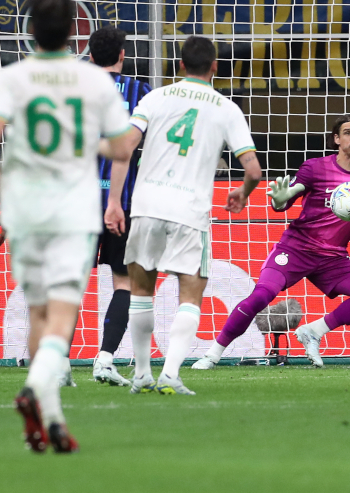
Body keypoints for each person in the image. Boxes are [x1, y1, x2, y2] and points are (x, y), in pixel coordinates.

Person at [0, 0, 136, 452]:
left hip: (24, 208)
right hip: (72, 208)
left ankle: (50, 419)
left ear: (30, 30)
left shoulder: (9, 76)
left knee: (37, 311)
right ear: (75, 32)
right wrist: (89, 140)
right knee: (62, 313)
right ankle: (34, 390)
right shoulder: (93, 83)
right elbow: (120, 149)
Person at [100, 35, 261, 395]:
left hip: (145, 208)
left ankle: (141, 373)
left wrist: (114, 202)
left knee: (140, 291)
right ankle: (169, 374)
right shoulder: (226, 108)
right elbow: (253, 170)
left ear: (181, 65)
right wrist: (243, 193)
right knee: (190, 295)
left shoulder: (155, 97)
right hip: (188, 212)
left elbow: (124, 148)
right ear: (215, 66)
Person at [195, 116, 350, 369]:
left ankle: (313, 331)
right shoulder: (316, 168)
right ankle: (212, 354)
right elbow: (284, 202)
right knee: (261, 295)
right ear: (336, 139)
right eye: (347, 133)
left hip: (333, 258)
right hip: (296, 249)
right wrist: (279, 199)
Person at [87, 26, 151, 384]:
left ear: (90, 56)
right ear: (123, 55)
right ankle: (105, 358)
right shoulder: (141, 92)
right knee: (124, 282)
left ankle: (58, 364)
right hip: (123, 203)